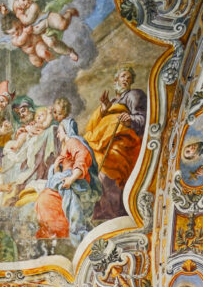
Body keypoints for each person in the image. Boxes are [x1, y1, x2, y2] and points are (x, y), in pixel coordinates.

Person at [35, 99, 101, 247]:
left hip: (75, 184)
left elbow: (82, 157)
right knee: (44, 199)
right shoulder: (66, 148)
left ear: (64, 130)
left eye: (59, 132)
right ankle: (59, 231)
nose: (57, 135)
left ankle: (74, 233)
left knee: (54, 202)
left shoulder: (72, 141)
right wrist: (57, 168)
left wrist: (71, 179)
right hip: (66, 183)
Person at [85, 65, 147, 219]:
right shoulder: (113, 101)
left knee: (108, 169)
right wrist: (104, 109)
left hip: (123, 142)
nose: (126, 79)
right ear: (115, 80)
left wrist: (130, 119)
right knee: (92, 168)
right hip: (104, 140)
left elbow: (144, 118)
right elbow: (95, 125)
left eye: (129, 78)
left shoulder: (134, 95)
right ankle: (100, 210)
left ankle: (113, 211)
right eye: (123, 76)